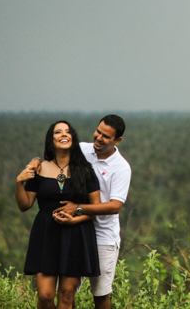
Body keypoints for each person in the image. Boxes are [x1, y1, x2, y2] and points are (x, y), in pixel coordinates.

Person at [28, 115, 132, 309]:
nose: (99, 138)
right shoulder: (83, 150)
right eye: (98, 131)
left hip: (103, 236)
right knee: (67, 292)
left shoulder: (121, 168)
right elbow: (53, 156)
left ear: (117, 141)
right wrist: (35, 161)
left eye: (106, 136)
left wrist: (77, 208)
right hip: (74, 232)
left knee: (100, 294)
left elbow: (114, 206)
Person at [16, 120, 101, 309]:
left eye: (68, 131)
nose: (64, 134)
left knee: (66, 295)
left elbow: (95, 207)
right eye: (58, 132)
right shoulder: (38, 169)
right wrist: (18, 183)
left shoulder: (85, 170)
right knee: (45, 296)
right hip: (46, 235)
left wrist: (76, 217)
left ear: (73, 137)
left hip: (76, 234)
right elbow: (25, 205)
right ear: (51, 139)